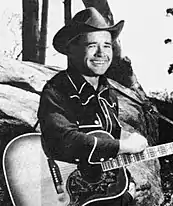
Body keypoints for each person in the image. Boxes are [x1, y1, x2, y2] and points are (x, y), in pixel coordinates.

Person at [38, 7, 148, 206]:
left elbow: (108, 137)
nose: (101, 53)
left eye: (107, 46)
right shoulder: (56, 90)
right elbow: (64, 140)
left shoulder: (108, 93)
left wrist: (127, 185)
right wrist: (124, 146)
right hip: (63, 194)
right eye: (92, 46)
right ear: (72, 49)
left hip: (99, 193)